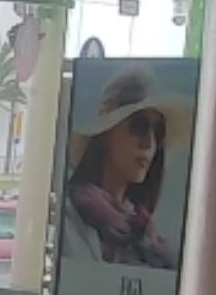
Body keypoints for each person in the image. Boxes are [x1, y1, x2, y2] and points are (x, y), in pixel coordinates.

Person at [62, 69, 190, 269]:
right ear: (106, 134)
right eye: (138, 126)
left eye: (158, 132)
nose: (149, 143)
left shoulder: (150, 238)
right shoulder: (68, 219)